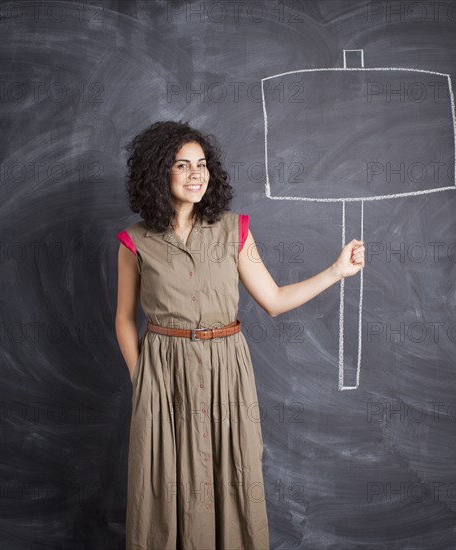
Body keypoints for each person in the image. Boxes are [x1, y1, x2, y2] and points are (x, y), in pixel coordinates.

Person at [115, 120, 365, 550]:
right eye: (182, 165)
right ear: (159, 173)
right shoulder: (135, 240)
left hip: (226, 370)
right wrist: (143, 381)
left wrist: (336, 271)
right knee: (161, 484)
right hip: (163, 373)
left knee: (232, 476)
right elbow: (123, 318)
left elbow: (274, 299)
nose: (196, 174)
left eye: (202, 164)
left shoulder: (235, 230)